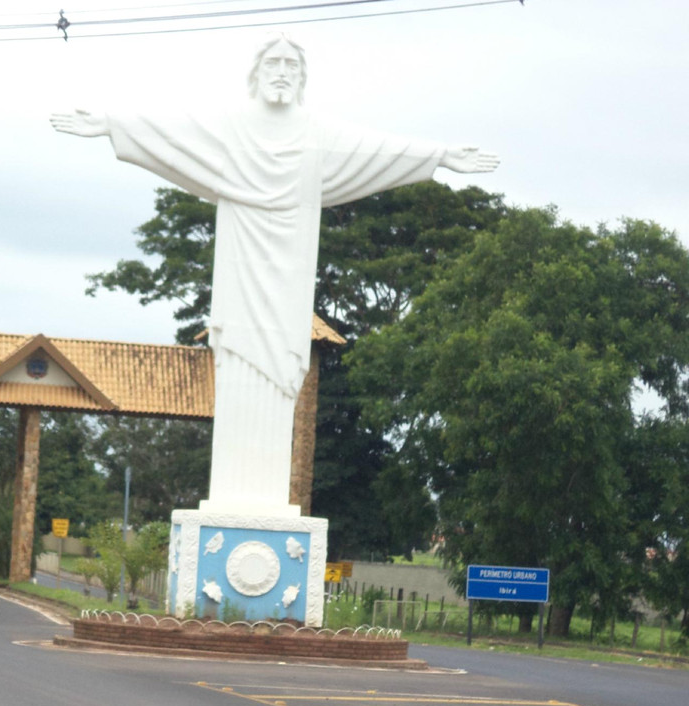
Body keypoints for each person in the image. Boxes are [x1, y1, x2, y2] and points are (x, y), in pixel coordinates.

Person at [52, 34, 498, 517]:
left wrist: (440, 156)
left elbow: (377, 150)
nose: (282, 71)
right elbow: (174, 134)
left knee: (281, 368)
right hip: (240, 273)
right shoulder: (230, 128)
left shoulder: (318, 134)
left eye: (291, 64)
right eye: (274, 62)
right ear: (257, 72)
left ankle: (265, 498)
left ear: (301, 77)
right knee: (240, 362)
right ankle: (231, 495)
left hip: (289, 275)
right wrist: (110, 125)